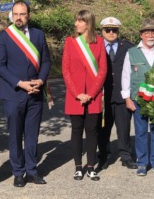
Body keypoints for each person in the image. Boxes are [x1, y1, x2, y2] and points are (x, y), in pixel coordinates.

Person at [0, 1, 51, 187]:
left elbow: (46, 61)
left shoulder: (38, 34)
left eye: (22, 14)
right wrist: (20, 84)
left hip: (35, 93)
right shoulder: (3, 37)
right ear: (12, 15)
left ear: (29, 15)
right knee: (16, 134)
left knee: (32, 134)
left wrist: (41, 81)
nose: (18, 17)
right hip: (13, 93)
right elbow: (0, 66)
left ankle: (32, 171)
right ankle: (18, 172)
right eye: (15, 14)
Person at [121, 19, 154, 176]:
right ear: (141, 35)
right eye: (147, 32)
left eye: (153, 32)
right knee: (141, 132)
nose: (151, 35)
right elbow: (125, 76)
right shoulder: (132, 52)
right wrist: (127, 98)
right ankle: (142, 162)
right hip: (138, 99)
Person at [62, 10, 107, 181]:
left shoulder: (100, 43)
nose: (76, 24)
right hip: (75, 96)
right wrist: (77, 93)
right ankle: (78, 167)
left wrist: (91, 93)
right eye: (76, 21)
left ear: (88, 23)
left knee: (92, 130)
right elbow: (65, 70)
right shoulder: (70, 42)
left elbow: (103, 70)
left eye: (80, 21)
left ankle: (91, 167)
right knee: (76, 130)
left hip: (93, 96)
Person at [97, 17, 137, 170]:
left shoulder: (127, 47)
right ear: (102, 31)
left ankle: (126, 155)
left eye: (114, 30)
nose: (111, 33)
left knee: (124, 127)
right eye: (108, 30)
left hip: (122, 95)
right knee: (103, 127)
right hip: (103, 95)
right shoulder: (95, 46)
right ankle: (103, 154)